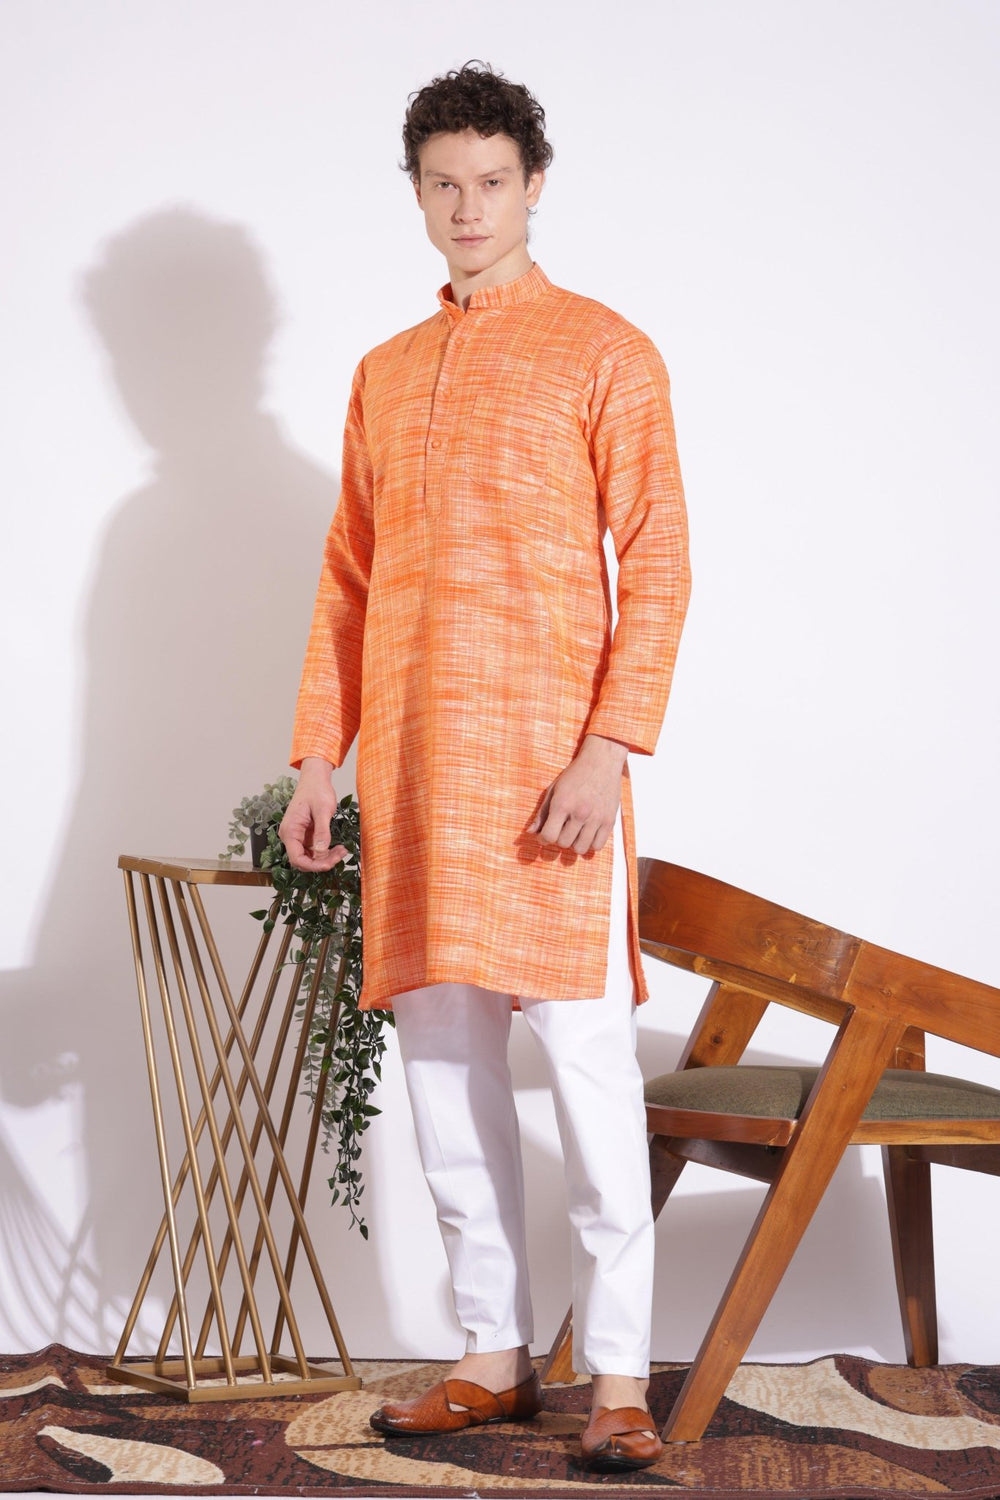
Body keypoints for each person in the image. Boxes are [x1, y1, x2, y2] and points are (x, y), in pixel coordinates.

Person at [279, 61, 690, 1472]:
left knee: (588, 1078)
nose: (468, 208)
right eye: (443, 185)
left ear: (534, 184)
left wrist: (607, 750)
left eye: (492, 183)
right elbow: (348, 578)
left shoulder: (604, 350)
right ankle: (489, 1356)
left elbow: (661, 561)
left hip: (551, 781)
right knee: (448, 1080)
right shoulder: (385, 372)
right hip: (413, 780)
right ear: (416, 193)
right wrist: (319, 759)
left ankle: (620, 1377)